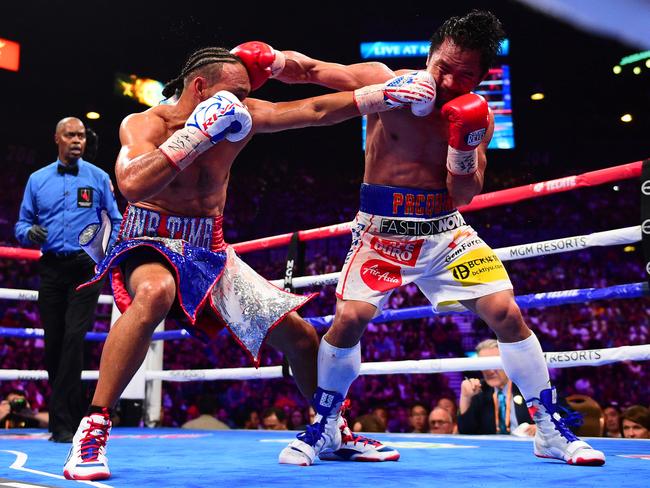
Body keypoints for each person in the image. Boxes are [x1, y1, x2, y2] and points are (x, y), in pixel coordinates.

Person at [62, 46, 432, 480]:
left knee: (300, 337)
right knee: (155, 292)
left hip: (209, 247)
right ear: (199, 86)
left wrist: (383, 95)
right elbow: (130, 182)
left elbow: (313, 109)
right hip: (149, 236)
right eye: (234, 92)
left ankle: (331, 428)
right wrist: (195, 135)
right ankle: (93, 430)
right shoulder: (145, 124)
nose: (240, 102)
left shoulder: (244, 116)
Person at [272, 9, 606, 466]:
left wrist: (462, 148)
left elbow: (465, 194)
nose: (448, 81)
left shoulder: (478, 118)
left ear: (481, 77)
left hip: (445, 232)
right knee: (348, 320)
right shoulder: (383, 80)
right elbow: (309, 72)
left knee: (506, 313)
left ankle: (548, 428)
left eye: (463, 75)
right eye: (442, 67)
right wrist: (265, 62)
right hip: (381, 233)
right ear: (430, 56)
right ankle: (328, 426)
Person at [15, 117, 122, 443]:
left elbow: (117, 221)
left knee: (75, 338)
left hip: (84, 268)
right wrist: (29, 233)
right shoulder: (37, 180)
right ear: (57, 139)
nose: (77, 140)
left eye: (80, 136)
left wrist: (106, 252)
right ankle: (69, 417)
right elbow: (21, 225)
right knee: (55, 344)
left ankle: (62, 426)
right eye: (70, 135)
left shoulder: (99, 177)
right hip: (50, 268)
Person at [457, 339, 534, 436]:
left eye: (494, 364)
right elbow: (466, 433)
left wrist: (539, 429)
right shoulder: (477, 390)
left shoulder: (527, 386)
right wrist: (465, 397)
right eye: (485, 365)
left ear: (508, 363)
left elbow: (554, 418)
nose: (490, 371)